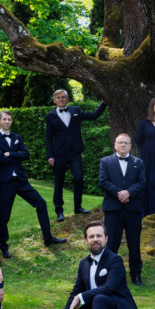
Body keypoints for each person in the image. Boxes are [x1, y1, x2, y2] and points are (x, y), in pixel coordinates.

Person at [56, 221, 140, 309]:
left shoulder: (115, 260)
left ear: (106, 238)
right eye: (91, 236)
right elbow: (75, 292)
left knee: (100, 298)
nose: (95, 239)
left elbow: (108, 288)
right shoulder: (83, 263)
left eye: (99, 236)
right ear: (86, 240)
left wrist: (82, 297)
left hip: (115, 306)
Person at [0, 110, 66, 258]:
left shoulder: (17, 137)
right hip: (5, 182)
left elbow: (26, 155)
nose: (7, 122)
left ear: (11, 121)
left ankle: (48, 239)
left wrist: (11, 154)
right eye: (4, 119)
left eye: (9, 119)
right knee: (4, 215)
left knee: (41, 203)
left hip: (21, 180)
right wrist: (16, 155)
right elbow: (0, 159)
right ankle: (3, 247)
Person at [45, 89, 107, 221]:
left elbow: (93, 116)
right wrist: (50, 155)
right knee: (59, 182)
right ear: (54, 100)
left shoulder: (76, 111)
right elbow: (48, 138)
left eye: (63, 97)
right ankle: (59, 212)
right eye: (58, 97)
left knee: (79, 178)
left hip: (75, 152)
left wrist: (104, 103)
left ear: (67, 99)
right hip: (59, 153)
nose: (61, 99)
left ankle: (78, 207)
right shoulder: (50, 116)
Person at [99, 134, 147, 286]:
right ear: (115, 144)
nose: (123, 145)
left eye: (126, 143)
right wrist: (119, 193)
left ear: (131, 146)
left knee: (134, 243)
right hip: (113, 208)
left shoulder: (138, 163)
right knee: (112, 242)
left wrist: (129, 193)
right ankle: (110, 274)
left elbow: (142, 182)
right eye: (120, 143)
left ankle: (136, 274)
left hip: (133, 209)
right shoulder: (105, 161)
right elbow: (103, 181)